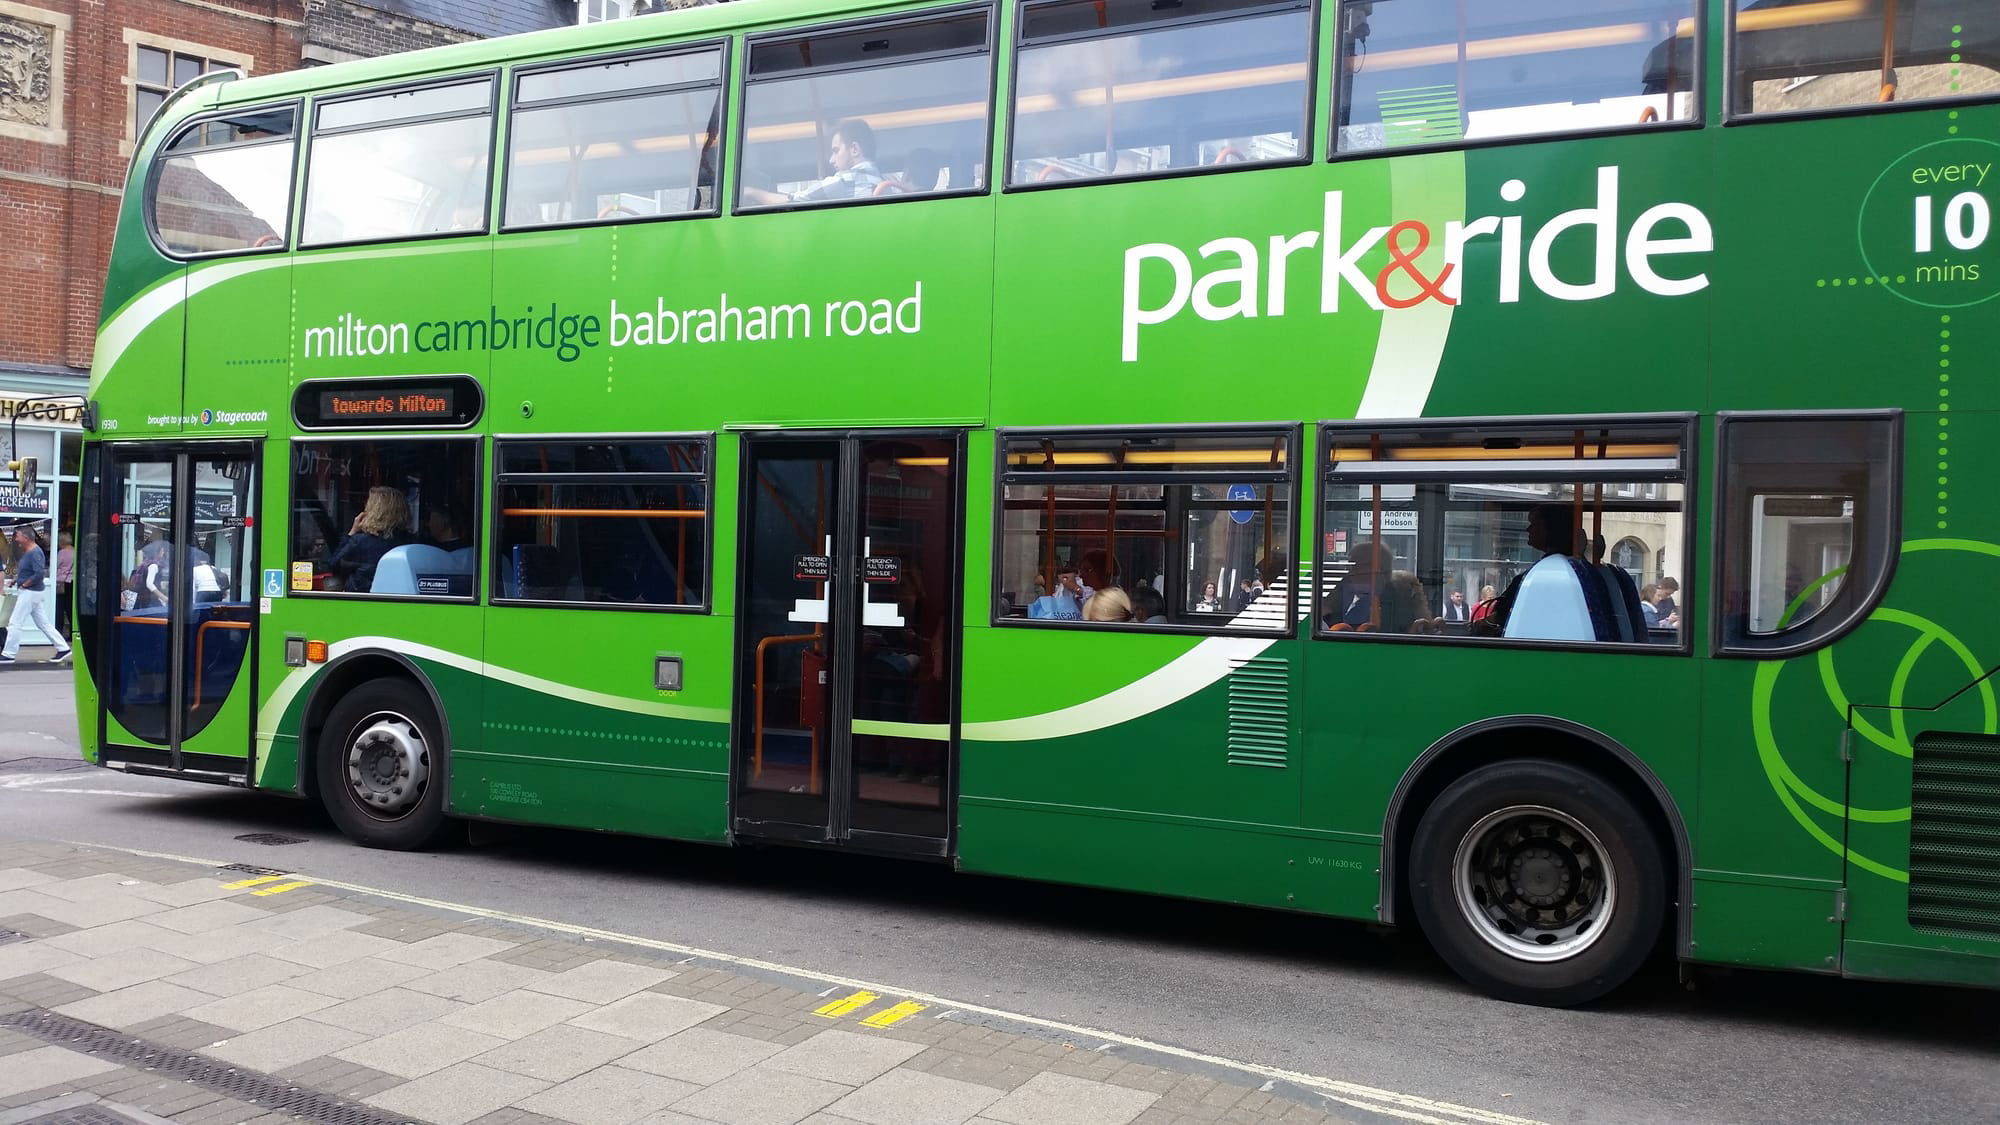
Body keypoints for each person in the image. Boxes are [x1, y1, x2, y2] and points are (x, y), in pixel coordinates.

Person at [1473, 504, 1575, 636]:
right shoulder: (1558, 566)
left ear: (1549, 528)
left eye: (1534, 524)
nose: (1528, 529)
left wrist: (1481, 624)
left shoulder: (1547, 572)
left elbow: (1505, 613)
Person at [743, 119, 884, 204]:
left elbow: (791, 201)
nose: (831, 160)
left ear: (854, 149)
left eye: (836, 151)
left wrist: (752, 192)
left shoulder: (846, 181)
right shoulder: (885, 182)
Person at [1325, 540, 1430, 632]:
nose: (1351, 573)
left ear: (1377, 570)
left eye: (1356, 566)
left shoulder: (1381, 603)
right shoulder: (1396, 595)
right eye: (1351, 566)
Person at [325, 486, 410, 594]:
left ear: (375, 511)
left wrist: (352, 532)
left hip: (362, 601)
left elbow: (334, 565)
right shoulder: (410, 541)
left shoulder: (361, 542)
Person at [1, 525, 67, 663]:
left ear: (25, 537)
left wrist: (25, 584)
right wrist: (16, 581)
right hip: (32, 592)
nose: (16, 538)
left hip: (30, 592)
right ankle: (63, 648)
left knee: (15, 622)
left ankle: (8, 654)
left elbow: (39, 573)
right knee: (43, 623)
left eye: (17, 535)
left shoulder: (35, 552)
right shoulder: (29, 552)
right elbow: (29, 571)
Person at [53, 531, 74, 640]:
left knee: (59, 608)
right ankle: (72, 633)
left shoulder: (62, 552)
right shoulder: (75, 551)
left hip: (61, 583)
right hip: (72, 582)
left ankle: (58, 632)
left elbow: (55, 566)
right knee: (70, 608)